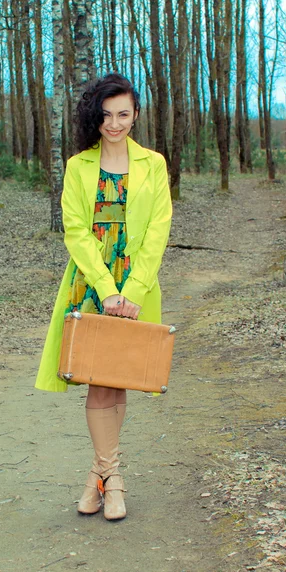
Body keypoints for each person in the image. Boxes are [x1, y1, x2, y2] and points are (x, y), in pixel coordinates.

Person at [35, 73, 172, 520]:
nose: (115, 123)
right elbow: (75, 231)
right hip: (92, 284)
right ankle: (112, 479)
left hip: (137, 285)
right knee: (98, 379)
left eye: (123, 114)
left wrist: (132, 290)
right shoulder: (79, 166)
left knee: (117, 376)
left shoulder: (154, 164)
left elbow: (158, 231)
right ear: (95, 117)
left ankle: (101, 475)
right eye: (106, 115)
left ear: (136, 115)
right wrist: (108, 290)